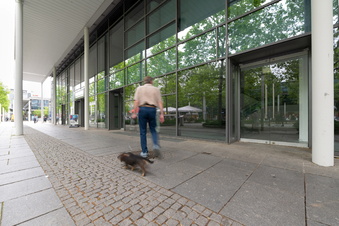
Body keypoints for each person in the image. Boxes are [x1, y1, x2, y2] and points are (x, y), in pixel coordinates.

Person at [131, 76, 164, 158]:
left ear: (144, 81)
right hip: (152, 109)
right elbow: (160, 102)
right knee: (153, 129)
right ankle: (155, 145)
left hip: (142, 109)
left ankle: (144, 152)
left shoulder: (139, 89)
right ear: (151, 81)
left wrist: (135, 112)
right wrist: (162, 114)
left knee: (143, 131)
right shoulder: (156, 89)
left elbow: (136, 101)